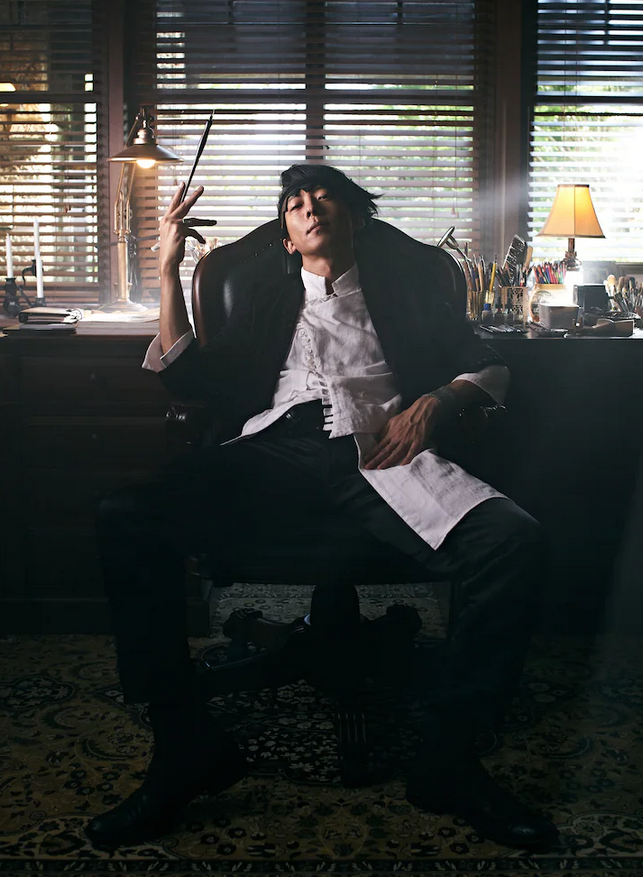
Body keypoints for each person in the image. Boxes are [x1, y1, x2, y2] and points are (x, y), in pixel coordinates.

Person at [86, 164, 558, 851]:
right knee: (124, 514)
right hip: (272, 456)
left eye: (324, 196)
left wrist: (437, 401)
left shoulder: (405, 293)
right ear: (286, 237)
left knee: (515, 540)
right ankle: (183, 746)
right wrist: (166, 270)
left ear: (355, 218)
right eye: (295, 203)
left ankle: (449, 761)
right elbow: (189, 378)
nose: (310, 207)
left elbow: (487, 363)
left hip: (381, 454)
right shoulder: (268, 301)